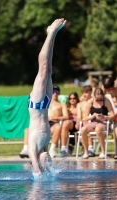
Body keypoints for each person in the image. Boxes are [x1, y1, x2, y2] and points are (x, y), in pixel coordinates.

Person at [28, 18, 67, 177]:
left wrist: (37, 171)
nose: (49, 160)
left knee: (42, 70)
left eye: (48, 161)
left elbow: (33, 162)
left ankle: (50, 32)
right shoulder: (45, 146)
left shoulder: (34, 149)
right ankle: (54, 34)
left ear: (39, 161)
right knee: (49, 70)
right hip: (46, 104)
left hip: (36, 105)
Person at [81, 88, 115, 159]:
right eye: (97, 99)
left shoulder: (106, 101)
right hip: (93, 122)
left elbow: (113, 115)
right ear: (94, 97)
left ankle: (103, 151)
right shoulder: (90, 102)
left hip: (104, 122)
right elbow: (84, 117)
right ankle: (86, 151)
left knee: (98, 128)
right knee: (83, 130)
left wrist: (104, 117)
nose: (99, 101)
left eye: (101, 99)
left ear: (103, 96)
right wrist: (92, 116)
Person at [48, 85, 69, 158]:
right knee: (28, 130)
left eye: (57, 92)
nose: (55, 94)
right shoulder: (46, 103)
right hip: (44, 123)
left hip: (54, 123)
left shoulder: (62, 105)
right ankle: (26, 150)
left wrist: (54, 117)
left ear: (59, 93)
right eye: (53, 92)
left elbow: (66, 116)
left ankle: (52, 149)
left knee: (58, 127)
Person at [103, 77, 117, 159]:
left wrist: (114, 117)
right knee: (115, 133)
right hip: (116, 111)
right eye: (107, 89)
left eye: (110, 89)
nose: (109, 91)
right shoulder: (107, 89)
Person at [77, 85, 96, 157]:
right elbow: (79, 116)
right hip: (83, 123)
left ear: (91, 92)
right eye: (83, 93)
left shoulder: (94, 102)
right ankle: (87, 148)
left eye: (86, 92)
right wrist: (78, 122)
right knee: (84, 126)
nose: (84, 94)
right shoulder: (80, 104)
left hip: (93, 123)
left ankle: (90, 148)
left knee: (87, 125)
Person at [59, 92, 79, 156]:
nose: (72, 100)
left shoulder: (79, 106)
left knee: (66, 123)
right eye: (70, 98)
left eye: (74, 98)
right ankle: (64, 148)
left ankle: (64, 149)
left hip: (76, 123)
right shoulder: (67, 107)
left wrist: (69, 111)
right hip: (67, 125)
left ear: (77, 99)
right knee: (63, 125)